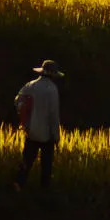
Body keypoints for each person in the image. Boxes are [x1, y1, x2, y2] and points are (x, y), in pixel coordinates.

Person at [13, 59, 64, 191]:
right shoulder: (52, 90)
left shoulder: (30, 85)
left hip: (31, 131)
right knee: (46, 165)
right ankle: (44, 192)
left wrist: (26, 120)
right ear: (53, 74)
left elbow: (18, 101)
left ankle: (18, 185)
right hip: (47, 134)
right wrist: (56, 135)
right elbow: (53, 115)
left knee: (26, 161)